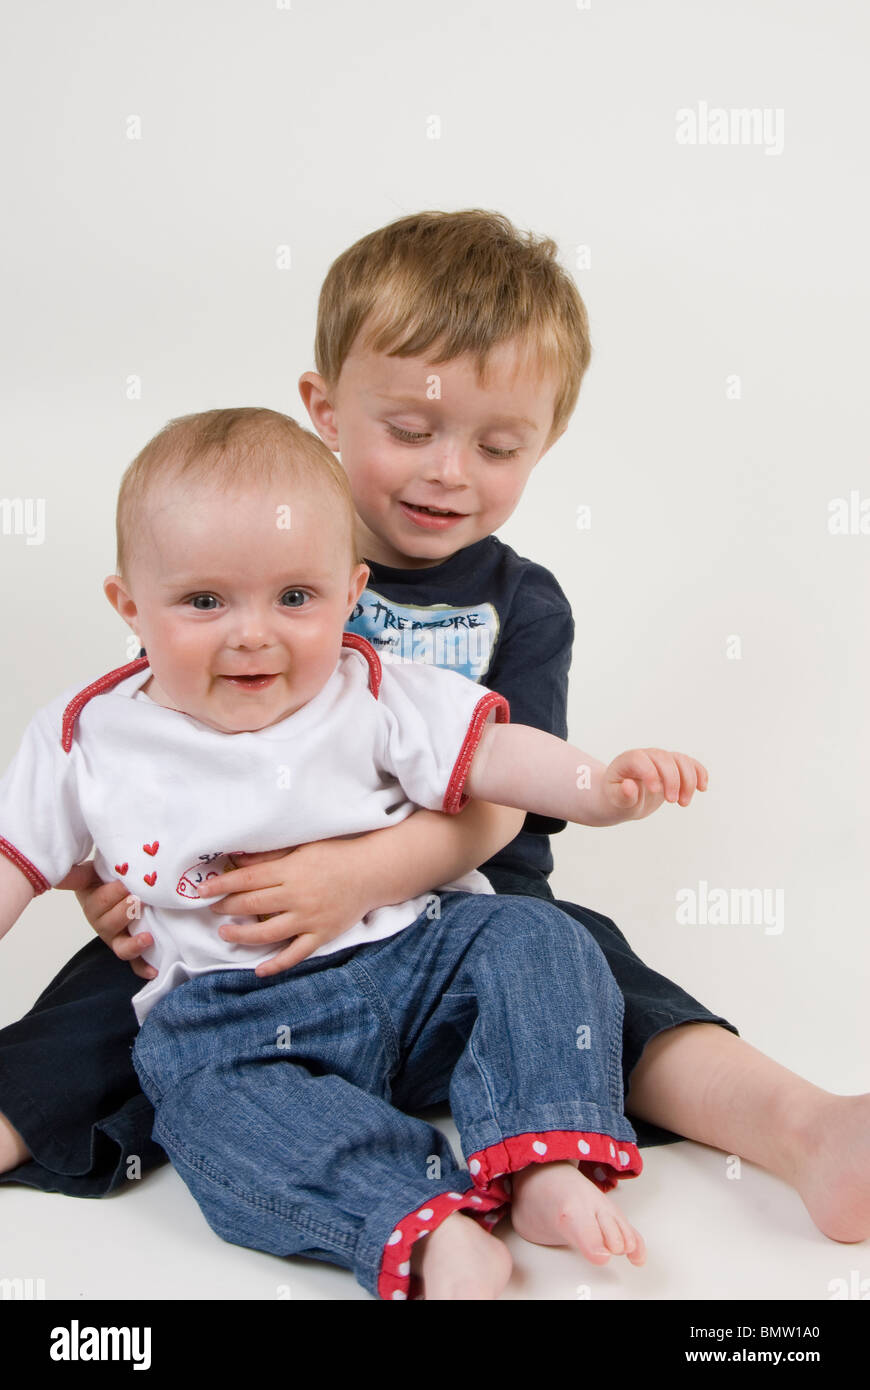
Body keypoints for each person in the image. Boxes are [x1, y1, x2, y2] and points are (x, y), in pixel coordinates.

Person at [1, 210, 866, 1253]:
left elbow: (504, 795)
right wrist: (110, 874)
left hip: (457, 901)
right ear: (325, 407)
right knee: (109, 1011)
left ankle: (804, 1128)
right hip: (231, 924)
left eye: (498, 445)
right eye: (410, 430)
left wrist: (359, 876)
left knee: (586, 972)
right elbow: (142, 740)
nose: (450, 470)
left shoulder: (520, 602)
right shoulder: (232, 541)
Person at [0, 406, 711, 1299]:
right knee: (202, 1103)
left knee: (535, 937)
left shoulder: (370, 683)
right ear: (129, 605)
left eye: (295, 598)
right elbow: (15, 864)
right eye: (204, 602)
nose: (253, 633)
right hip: (231, 1016)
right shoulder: (88, 733)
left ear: (348, 590)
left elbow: (496, 755)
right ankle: (422, 1223)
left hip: (409, 969)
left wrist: (599, 787)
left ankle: (540, 1164)